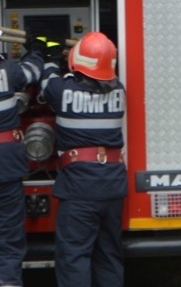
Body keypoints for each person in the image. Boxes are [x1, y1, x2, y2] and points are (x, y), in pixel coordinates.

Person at [39, 32, 127, 287]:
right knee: (108, 255)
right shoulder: (119, 91)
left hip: (79, 188)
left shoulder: (61, 90)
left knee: (74, 256)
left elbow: (46, 82)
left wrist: (49, 56)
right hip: (112, 185)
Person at [0, 39, 44, 287]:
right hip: (6, 164)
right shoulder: (8, 71)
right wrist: (37, 50)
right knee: (9, 232)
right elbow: (32, 72)